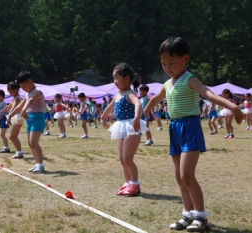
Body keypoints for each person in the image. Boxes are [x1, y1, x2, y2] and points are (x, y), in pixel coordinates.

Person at [144, 37, 243, 232]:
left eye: (172, 63)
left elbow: (208, 94)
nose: (168, 67)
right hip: (174, 128)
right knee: (179, 177)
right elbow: (156, 97)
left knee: (187, 175)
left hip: (190, 127)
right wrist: (144, 111)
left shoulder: (190, 79)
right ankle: (187, 214)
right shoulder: (167, 84)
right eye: (164, 64)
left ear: (185, 59)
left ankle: (201, 215)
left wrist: (233, 106)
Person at [101, 63, 147, 196]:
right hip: (121, 126)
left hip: (131, 127)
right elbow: (110, 107)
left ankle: (135, 184)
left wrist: (137, 117)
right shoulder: (118, 94)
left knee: (127, 158)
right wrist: (104, 117)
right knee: (122, 158)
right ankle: (127, 183)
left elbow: (138, 103)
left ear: (127, 78)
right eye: (114, 78)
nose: (115, 82)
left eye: (117, 78)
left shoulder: (130, 93)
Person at [7, 71, 46, 173]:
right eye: (22, 87)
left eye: (25, 86)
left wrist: (24, 110)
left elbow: (31, 101)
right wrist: (10, 115)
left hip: (38, 118)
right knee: (30, 143)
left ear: (30, 82)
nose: (24, 89)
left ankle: (41, 165)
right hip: (30, 119)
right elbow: (19, 106)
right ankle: (37, 164)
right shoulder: (27, 94)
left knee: (34, 142)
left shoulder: (38, 92)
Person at [0, 82, 24, 158]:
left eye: (10, 91)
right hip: (16, 117)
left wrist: (9, 116)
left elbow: (14, 107)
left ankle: (19, 152)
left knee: (12, 136)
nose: (10, 93)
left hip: (17, 118)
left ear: (16, 90)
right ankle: (19, 152)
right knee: (14, 136)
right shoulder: (14, 99)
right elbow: (9, 106)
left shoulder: (17, 98)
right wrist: (2, 111)